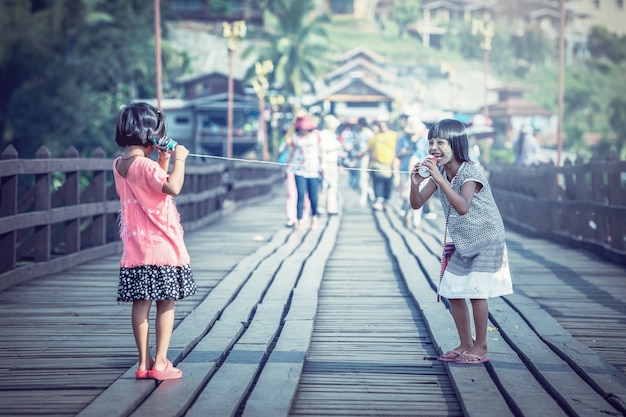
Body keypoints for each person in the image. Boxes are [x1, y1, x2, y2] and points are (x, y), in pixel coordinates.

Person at [409, 118, 513, 364]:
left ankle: (481, 345)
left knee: (476, 292)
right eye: (431, 142)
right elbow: (416, 204)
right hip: (464, 243)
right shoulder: (442, 173)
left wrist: (439, 179)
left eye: (441, 142)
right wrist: (414, 185)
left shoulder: (471, 173)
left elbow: (463, 207)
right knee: (453, 290)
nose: (434, 147)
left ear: (456, 144)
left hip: (488, 239)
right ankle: (465, 343)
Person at [113, 102, 197, 380]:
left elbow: (150, 188)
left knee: (141, 304)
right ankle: (161, 362)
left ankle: (142, 362)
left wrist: (163, 160)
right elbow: (171, 187)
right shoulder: (145, 167)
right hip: (161, 247)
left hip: (136, 250)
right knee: (166, 303)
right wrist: (180, 158)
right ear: (149, 135)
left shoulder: (119, 165)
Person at [286, 114, 323, 229]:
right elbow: (291, 152)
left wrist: (323, 165)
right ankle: (300, 219)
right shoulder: (295, 136)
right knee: (300, 194)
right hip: (299, 169)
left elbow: (321, 152)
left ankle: (314, 217)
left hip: (313, 169)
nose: (304, 131)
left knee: (313, 196)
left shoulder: (316, 135)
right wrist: (286, 167)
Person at [368, 120, 397, 210]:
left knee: (388, 183)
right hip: (377, 164)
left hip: (390, 164)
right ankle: (378, 201)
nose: (381, 127)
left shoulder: (394, 135)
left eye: (383, 125)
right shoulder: (375, 136)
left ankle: (386, 202)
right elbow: (369, 148)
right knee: (378, 182)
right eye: (380, 125)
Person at [318, 114, 343, 215]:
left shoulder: (332, 134)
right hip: (326, 162)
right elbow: (322, 150)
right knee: (324, 186)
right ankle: (321, 206)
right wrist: (323, 164)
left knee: (333, 186)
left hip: (333, 162)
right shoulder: (324, 134)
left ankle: (332, 208)